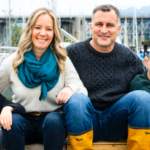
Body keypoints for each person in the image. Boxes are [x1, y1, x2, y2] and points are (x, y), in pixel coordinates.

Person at [63, 4, 150, 150]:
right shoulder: (71, 54)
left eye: (110, 25)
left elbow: (142, 88)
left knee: (142, 98)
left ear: (118, 29)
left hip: (118, 121)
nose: (104, 30)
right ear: (91, 27)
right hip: (83, 119)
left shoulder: (130, 58)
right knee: (77, 99)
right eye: (99, 24)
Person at [0, 7, 87, 150]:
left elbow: (81, 89)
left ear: (54, 33)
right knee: (12, 121)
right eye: (38, 27)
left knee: (54, 119)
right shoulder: (13, 61)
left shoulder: (62, 60)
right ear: (30, 30)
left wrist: (70, 88)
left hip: (53, 126)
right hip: (22, 122)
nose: (42, 33)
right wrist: (6, 107)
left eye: (48, 29)